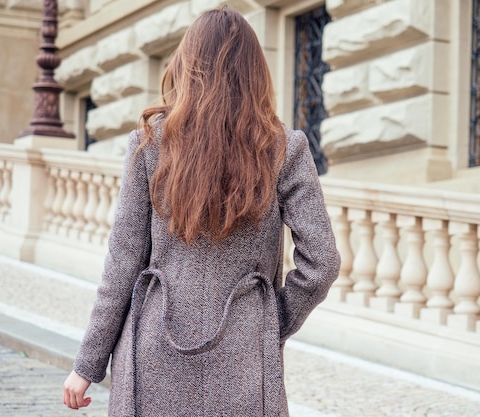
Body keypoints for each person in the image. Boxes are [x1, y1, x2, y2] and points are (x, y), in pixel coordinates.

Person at [62, 5, 340, 416]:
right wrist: (267, 322)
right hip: (245, 356)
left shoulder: (149, 144)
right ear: (255, 73)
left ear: (185, 64)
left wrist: (87, 366)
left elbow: (122, 262)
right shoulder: (284, 147)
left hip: (155, 349)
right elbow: (323, 262)